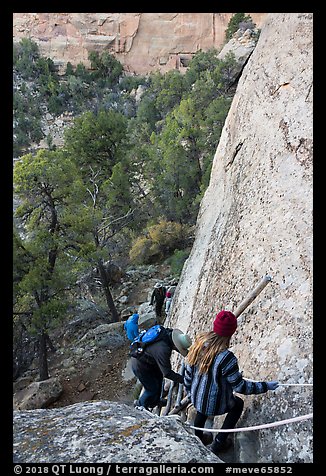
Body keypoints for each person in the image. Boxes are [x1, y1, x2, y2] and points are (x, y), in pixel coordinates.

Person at [184, 310, 279, 454]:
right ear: (231, 332)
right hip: (215, 404)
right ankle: (219, 442)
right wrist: (265, 386)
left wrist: (190, 393)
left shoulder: (199, 343)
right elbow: (240, 386)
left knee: (201, 411)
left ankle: (197, 437)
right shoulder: (226, 358)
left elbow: (188, 373)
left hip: (196, 398)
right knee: (238, 405)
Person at [132, 326, 192, 410]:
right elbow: (167, 373)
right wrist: (184, 380)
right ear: (175, 344)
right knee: (151, 389)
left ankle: (154, 402)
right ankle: (140, 405)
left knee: (159, 380)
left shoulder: (166, 334)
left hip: (148, 361)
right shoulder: (163, 349)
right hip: (140, 366)